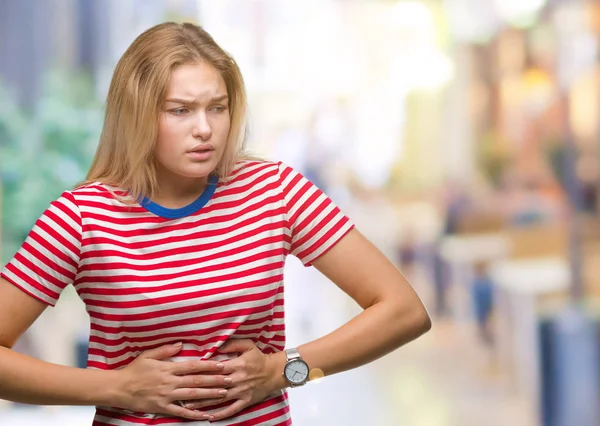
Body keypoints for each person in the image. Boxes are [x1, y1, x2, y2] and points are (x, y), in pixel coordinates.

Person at [0, 22, 431, 425]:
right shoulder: (82, 216)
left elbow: (403, 311)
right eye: (180, 110)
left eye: (217, 108)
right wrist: (119, 387)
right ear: (136, 114)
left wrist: (285, 370)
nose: (205, 128)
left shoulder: (274, 190)